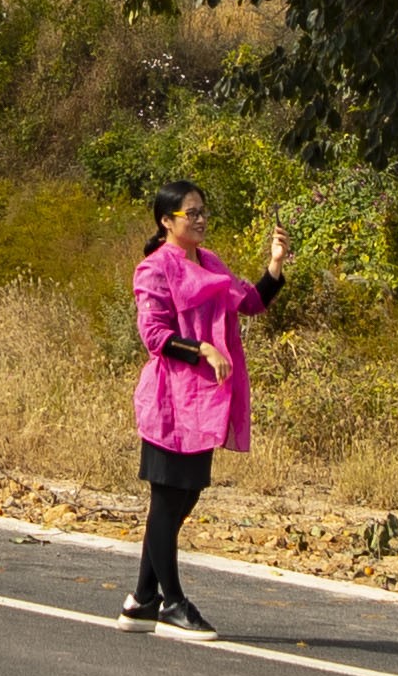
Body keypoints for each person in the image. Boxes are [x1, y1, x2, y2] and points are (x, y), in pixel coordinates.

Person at [123, 182, 286, 633]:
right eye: (189, 213)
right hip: (170, 399)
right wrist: (203, 351)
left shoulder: (210, 262)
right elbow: (154, 336)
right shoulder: (154, 269)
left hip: (204, 402)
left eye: (202, 212)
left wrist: (274, 266)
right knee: (167, 497)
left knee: (184, 493)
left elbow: (249, 302)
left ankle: (141, 600)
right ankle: (172, 602)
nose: (198, 219)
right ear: (166, 221)